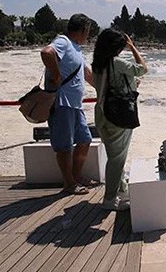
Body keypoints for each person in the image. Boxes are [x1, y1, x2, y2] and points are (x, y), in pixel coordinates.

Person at [92, 28, 147, 210]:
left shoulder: (98, 63)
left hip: (101, 115)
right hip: (117, 116)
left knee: (115, 155)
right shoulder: (117, 62)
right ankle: (109, 199)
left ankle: (121, 189)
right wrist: (133, 48)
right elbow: (143, 69)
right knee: (116, 159)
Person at [41, 13, 95, 196]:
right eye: (88, 31)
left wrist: (104, 89)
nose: (88, 35)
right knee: (64, 146)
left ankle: (76, 176)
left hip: (74, 104)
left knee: (84, 139)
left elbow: (87, 75)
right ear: (83, 29)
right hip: (62, 103)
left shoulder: (77, 48)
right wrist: (56, 75)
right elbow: (46, 52)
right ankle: (69, 184)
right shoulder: (63, 41)